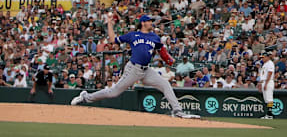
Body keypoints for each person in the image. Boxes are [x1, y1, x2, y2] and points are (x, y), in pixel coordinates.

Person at [70, 13, 199, 119]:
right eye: (149, 21)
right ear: (143, 23)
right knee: (113, 92)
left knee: (165, 85)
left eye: (151, 21)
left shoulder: (154, 37)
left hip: (146, 70)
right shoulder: (133, 35)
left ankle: (177, 111)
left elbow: (163, 52)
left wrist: (170, 61)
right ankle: (86, 97)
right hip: (133, 68)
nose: (151, 23)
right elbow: (112, 40)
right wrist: (109, 23)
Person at [258, 50, 275, 119]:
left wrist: (266, 84)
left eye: (263, 57)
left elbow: (270, 73)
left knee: (269, 98)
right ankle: (267, 114)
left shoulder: (270, 63)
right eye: (262, 57)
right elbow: (263, 75)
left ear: (267, 57)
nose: (262, 58)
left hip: (268, 81)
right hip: (264, 81)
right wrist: (260, 83)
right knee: (266, 99)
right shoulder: (265, 64)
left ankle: (270, 115)